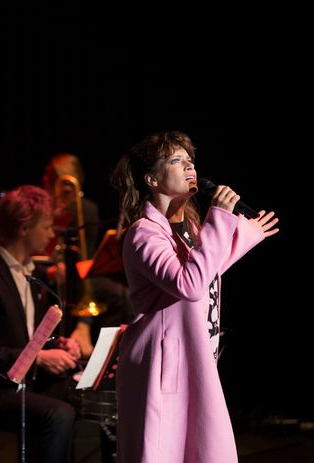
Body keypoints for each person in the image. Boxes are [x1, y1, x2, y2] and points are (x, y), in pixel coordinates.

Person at [109, 131, 279, 463]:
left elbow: (208, 267)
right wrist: (220, 219)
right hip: (163, 370)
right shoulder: (143, 233)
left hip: (193, 358)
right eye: (176, 160)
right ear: (152, 179)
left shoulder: (187, 227)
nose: (189, 166)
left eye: (190, 160)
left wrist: (246, 234)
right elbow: (189, 284)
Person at [0, 185, 83, 462]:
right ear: (24, 228)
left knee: (81, 394)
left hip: (24, 381)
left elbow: (29, 336)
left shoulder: (33, 273)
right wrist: (38, 358)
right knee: (58, 414)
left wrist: (56, 345)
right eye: (47, 227)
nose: (51, 234)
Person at [42, 153, 133, 356]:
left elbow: (87, 254)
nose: (65, 191)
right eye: (59, 183)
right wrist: (51, 268)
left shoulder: (87, 209)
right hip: (47, 275)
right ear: (49, 182)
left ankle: (102, 356)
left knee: (122, 296)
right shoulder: (42, 208)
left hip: (77, 276)